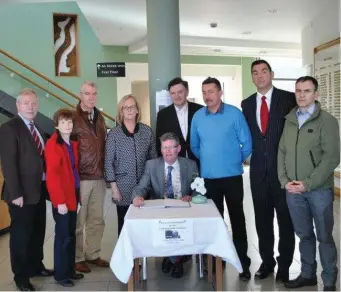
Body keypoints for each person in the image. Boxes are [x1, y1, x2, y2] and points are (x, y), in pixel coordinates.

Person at [278, 76, 340, 291]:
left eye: (306, 91)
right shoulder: (290, 120)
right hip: (293, 190)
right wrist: (284, 181)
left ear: (316, 94)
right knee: (304, 235)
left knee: (324, 236)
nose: (301, 95)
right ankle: (307, 274)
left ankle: (330, 278)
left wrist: (308, 184)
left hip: (318, 190)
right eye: (298, 91)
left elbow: (331, 158)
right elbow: (282, 151)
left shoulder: (327, 121)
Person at [190, 77, 252, 281]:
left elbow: (247, 144)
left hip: (233, 177)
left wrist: (233, 160)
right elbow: (195, 146)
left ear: (220, 93)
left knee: (237, 218)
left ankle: (243, 262)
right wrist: (210, 161)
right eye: (204, 92)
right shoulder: (198, 117)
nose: (207, 96)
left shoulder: (234, 114)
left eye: (211, 91)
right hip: (209, 178)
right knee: (214, 222)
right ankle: (216, 261)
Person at [241, 59, 296, 282]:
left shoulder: (288, 99)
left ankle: (284, 265)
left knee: (285, 219)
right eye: (255, 72)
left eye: (264, 71)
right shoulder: (246, 104)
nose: (260, 75)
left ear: (271, 74)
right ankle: (267, 262)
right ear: (252, 77)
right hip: (258, 173)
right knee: (262, 220)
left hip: (283, 172)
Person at [0, 88, 53, 291]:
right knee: (21, 236)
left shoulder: (35, 126)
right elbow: (9, 164)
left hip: (38, 190)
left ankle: (35, 266)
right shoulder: (9, 128)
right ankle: (21, 277)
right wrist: (16, 193)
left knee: (37, 231)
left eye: (33, 103)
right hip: (21, 193)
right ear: (18, 105)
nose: (30, 107)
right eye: (26, 103)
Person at [132, 132, 198, 278]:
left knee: (179, 226)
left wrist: (192, 197)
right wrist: (137, 197)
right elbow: (141, 187)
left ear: (178, 148)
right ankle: (177, 259)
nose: (167, 151)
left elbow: (198, 189)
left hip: (183, 209)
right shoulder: (152, 165)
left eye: (171, 147)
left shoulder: (190, 165)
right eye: (164, 148)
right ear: (160, 149)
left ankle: (172, 258)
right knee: (166, 226)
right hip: (160, 210)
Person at [104, 94, 157, 235]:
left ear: (137, 110)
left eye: (131, 107)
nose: (128, 110)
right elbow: (108, 162)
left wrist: (153, 184)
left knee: (144, 224)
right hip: (123, 186)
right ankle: (126, 256)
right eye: (125, 107)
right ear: (121, 111)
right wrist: (114, 189)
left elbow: (153, 160)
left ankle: (143, 255)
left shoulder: (147, 131)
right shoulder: (114, 134)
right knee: (125, 225)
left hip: (144, 184)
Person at [45, 108, 84, 287]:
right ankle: (61, 275)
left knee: (71, 234)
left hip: (73, 195)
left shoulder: (71, 142)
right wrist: (59, 201)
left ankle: (70, 270)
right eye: (63, 122)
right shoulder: (53, 144)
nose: (67, 125)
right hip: (62, 198)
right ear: (56, 125)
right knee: (62, 237)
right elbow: (52, 176)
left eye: (69, 122)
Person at [73, 81, 109, 273]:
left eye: (94, 93)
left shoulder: (100, 117)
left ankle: (93, 254)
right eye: (87, 93)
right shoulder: (72, 118)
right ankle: (78, 257)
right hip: (81, 178)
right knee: (79, 220)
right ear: (81, 95)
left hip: (99, 177)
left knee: (96, 219)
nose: (91, 97)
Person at [156, 77, 203, 167]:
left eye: (180, 92)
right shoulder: (163, 115)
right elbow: (159, 142)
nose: (177, 96)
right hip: (174, 163)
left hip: (198, 161)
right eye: (173, 93)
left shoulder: (200, 110)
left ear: (187, 92)